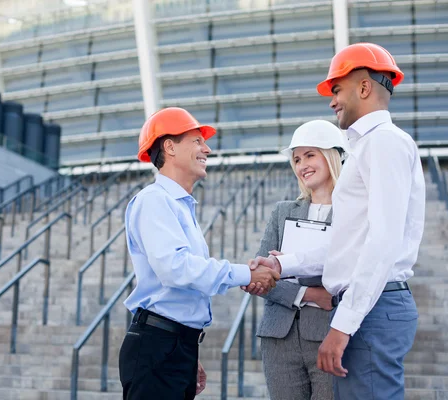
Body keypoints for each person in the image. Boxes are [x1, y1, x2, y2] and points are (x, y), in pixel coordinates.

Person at [246, 42, 426, 400]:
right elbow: (350, 242)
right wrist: (283, 263)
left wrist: (342, 327)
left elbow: (382, 241)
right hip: (369, 307)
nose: (332, 101)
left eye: (337, 89)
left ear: (364, 87)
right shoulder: (370, 146)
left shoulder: (383, 143)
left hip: (374, 307)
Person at [119, 107, 280, 400]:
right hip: (158, 347)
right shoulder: (155, 200)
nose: (206, 148)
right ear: (169, 147)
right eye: (196, 140)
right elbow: (176, 269)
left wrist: (187, 348)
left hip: (175, 345)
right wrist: (247, 273)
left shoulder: (180, 205)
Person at [253, 120, 348, 400]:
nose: (301, 164)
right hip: (278, 337)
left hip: (327, 335)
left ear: (332, 156)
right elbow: (262, 274)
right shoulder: (281, 212)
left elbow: (352, 272)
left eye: (309, 155)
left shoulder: (351, 214)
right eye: (296, 159)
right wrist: (310, 293)